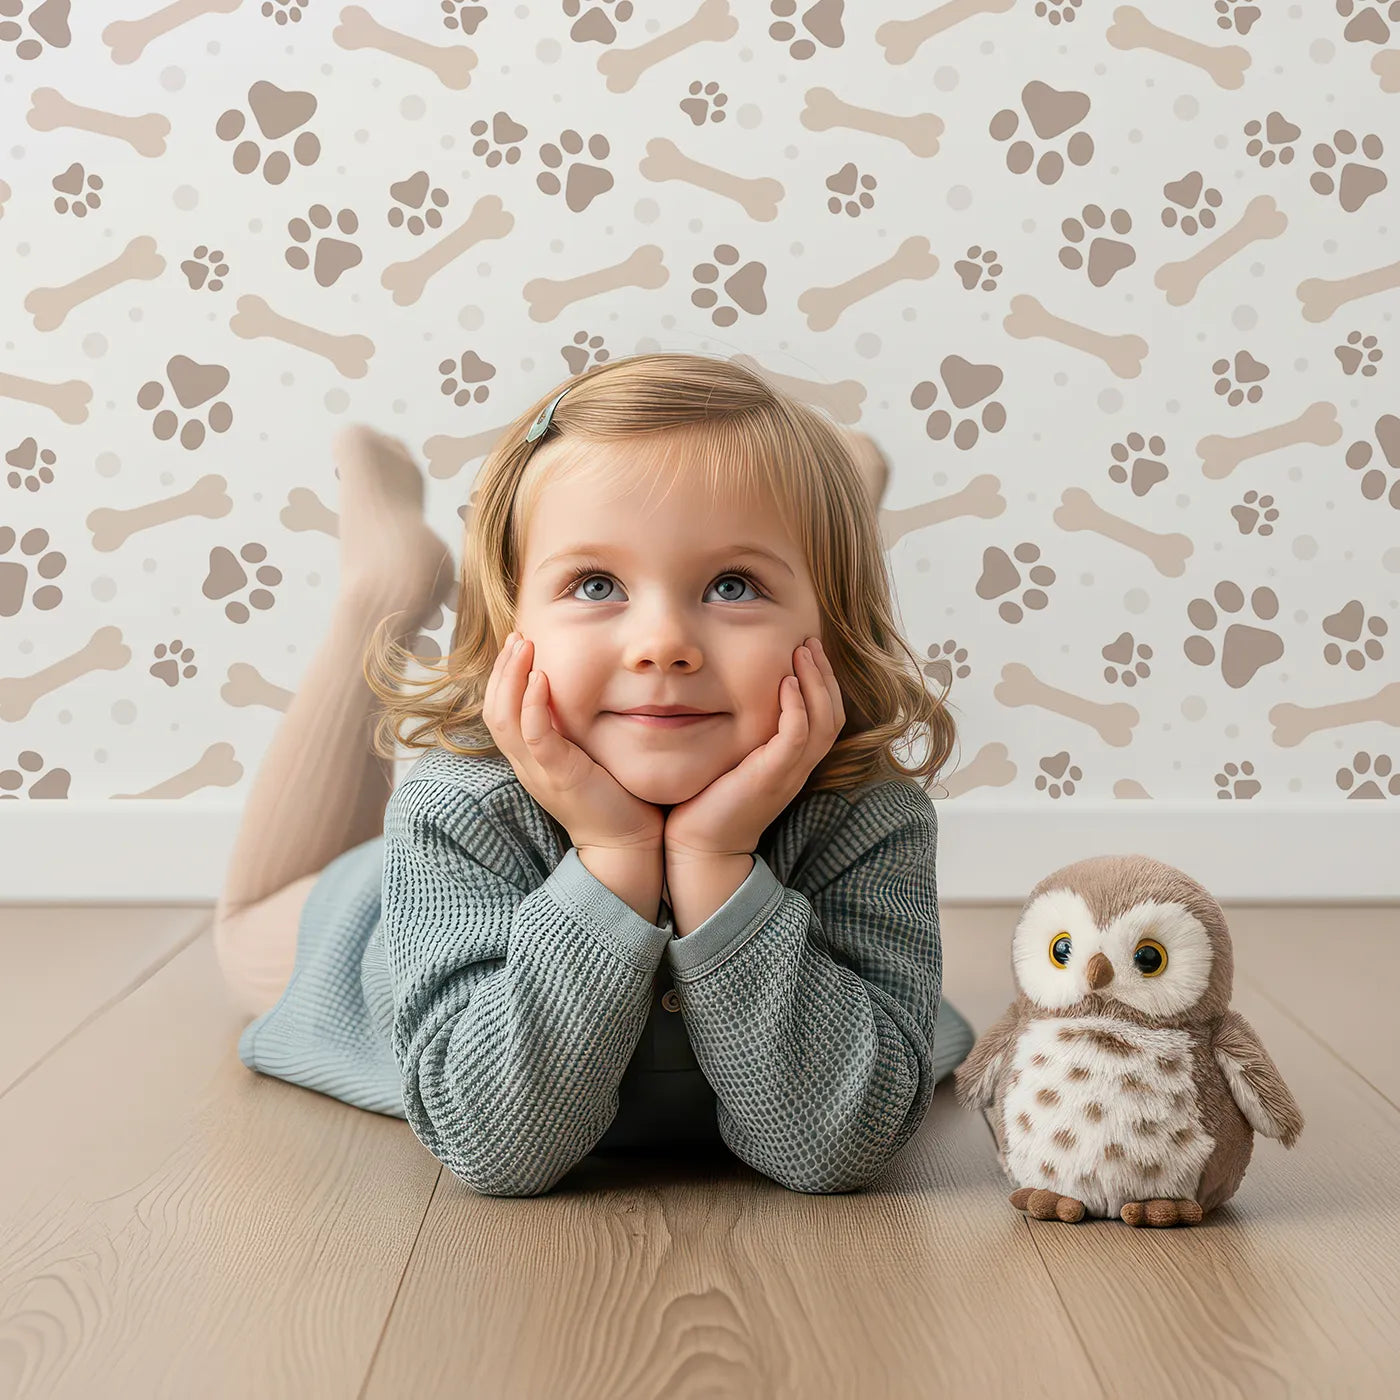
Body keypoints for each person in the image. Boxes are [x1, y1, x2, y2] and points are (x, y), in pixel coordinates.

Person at [216, 351, 975, 1198]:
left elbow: (839, 1145)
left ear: (830, 630)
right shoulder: (457, 807)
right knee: (246, 928)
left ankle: (829, 512)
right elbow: (495, 1148)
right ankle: (384, 585)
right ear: (512, 621)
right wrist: (613, 857)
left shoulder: (868, 815)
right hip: (374, 929)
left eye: (733, 585)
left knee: (793, 523)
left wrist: (715, 865)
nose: (663, 645)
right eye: (596, 583)